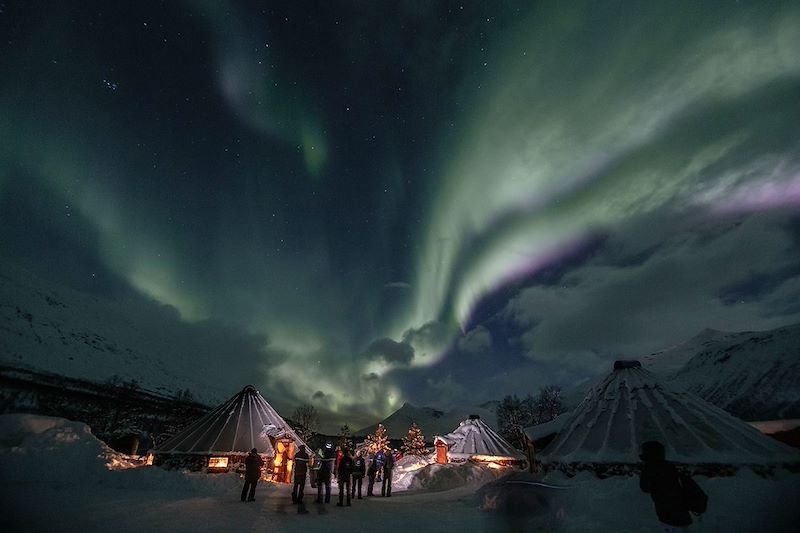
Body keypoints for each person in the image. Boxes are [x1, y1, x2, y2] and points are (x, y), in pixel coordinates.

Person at [639, 441, 692, 532]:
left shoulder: (650, 468)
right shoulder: (669, 466)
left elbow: (645, 487)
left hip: (667, 514)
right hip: (681, 511)